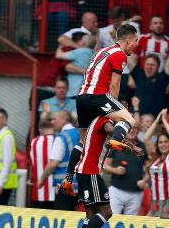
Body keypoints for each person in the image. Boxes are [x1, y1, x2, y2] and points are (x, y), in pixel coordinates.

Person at [60, 24, 141, 196]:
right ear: (127, 40)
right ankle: (116, 140)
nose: (136, 44)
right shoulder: (119, 54)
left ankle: (68, 179)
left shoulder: (101, 51)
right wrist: (115, 108)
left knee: (82, 143)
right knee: (129, 119)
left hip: (81, 97)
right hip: (98, 96)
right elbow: (115, 84)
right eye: (135, 41)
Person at [68, 115, 115, 228]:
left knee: (91, 214)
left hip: (84, 172)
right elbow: (78, 148)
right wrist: (121, 129)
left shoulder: (96, 123)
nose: (125, 111)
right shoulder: (106, 121)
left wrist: (131, 147)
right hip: (90, 172)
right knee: (106, 212)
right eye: (123, 107)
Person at [142, 109, 169, 218]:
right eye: (160, 142)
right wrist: (157, 121)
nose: (163, 144)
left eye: (166, 142)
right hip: (155, 198)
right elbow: (146, 138)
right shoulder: (155, 156)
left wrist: (164, 120)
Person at [37, 110, 80, 211]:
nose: (52, 122)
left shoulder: (61, 137)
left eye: (54, 119)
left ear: (64, 120)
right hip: (81, 185)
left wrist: (42, 180)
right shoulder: (80, 134)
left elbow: (53, 164)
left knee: (64, 221)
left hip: (65, 185)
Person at [104, 122, 146, 216]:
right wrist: (115, 170)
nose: (132, 130)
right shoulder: (116, 145)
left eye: (135, 128)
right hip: (116, 190)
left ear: (138, 130)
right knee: (111, 219)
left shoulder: (142, 147)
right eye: (130, 128)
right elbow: (105, 166)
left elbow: (149, 167)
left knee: (130, 223)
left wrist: (145, 180)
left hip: (136, 193)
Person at [54, 33, 96, 98]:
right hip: (85, 91)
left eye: (81, 39)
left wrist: (60, 47)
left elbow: (59, 55)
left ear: (83, 42)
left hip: (73, 90)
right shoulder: (93, 54)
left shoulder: (79, 52)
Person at [28, 117, 55, 209]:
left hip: (38, 191)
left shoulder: (34, 142)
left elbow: (31, 162)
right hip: (57, 192)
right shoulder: (58, 140)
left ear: (40, 129)